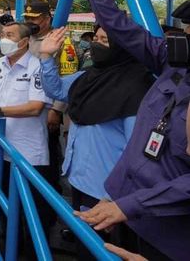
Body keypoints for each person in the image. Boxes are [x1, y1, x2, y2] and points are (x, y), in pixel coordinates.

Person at [70, 0, 190, 261]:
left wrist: (128, 205)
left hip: (171, 240)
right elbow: (120, 27)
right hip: (128, 214)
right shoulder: (174, 63)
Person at [39, 26, 153, 259]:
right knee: (85, 246)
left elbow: (135, 149)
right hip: (79, 178)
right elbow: (57, 89)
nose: (97, 45)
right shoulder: (88, 77)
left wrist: (116, 196)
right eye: (97, 38)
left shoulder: (137, 88)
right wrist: (46, 56)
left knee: (103, 250)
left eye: (106, 41)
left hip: (108, 192)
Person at [0, 0, 68, 193]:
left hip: (45, 106)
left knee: (45, 161)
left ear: (46, 18)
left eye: (34, 17)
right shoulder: (19, 37)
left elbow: (64, 76)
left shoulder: (59, 40)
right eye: (27, 16)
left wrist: (56, 110)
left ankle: (49, 206)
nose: (30, 21)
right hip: (16, 106)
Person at [0, 22, 55, 235]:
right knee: (1, 202)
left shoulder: (38, 67)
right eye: (3, 35)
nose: (4, 39)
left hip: (26, 152)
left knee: (29, 213)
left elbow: (35, 108)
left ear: (24, 42)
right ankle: (2, 244)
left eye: (10, 35)